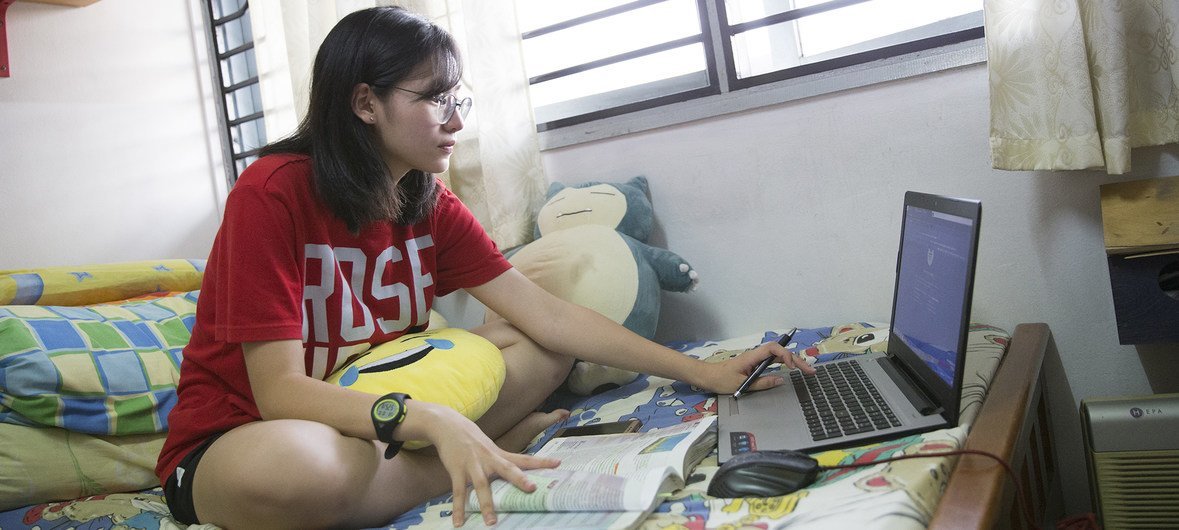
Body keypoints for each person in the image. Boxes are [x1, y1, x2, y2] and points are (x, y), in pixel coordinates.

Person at [155, 6, 813, 530]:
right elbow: (280, 394)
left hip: (381, 413)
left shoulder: (425, 198)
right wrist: (430, 421)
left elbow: (546, 314)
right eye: (434, 99)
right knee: (309, 470)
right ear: (364, 103)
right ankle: (471, 449)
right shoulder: (273, 192)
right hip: (246, 438)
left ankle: (452, 446)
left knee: (538, 348)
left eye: (457, 99)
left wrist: (698, 370)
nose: (455, 120)